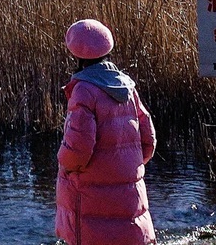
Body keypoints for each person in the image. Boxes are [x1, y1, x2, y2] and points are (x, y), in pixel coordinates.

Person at [55, 18, 156, 245]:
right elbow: (148, 139)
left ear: (75, 53)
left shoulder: (83, 91)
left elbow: (78, 149)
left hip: (91, 193)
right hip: (129, 188)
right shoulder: (127, 87)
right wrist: (130, 167)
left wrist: (64, 164)